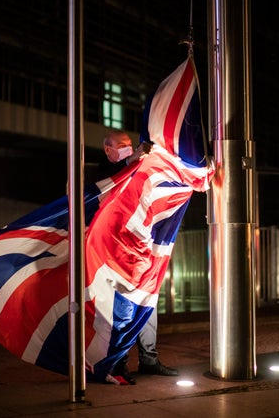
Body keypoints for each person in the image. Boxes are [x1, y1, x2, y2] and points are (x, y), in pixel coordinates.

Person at [96, 129, 179, 385]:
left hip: (141, 249)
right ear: (108, 149)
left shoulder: (137, 169)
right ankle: (118, 363)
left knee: (147, 305)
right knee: (121, 310)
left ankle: (149, 359)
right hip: (114, 255)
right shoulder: (101, 173)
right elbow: (110, 180)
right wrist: (132, 160)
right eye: (122, 145)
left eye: (130, 145)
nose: (128, 149)